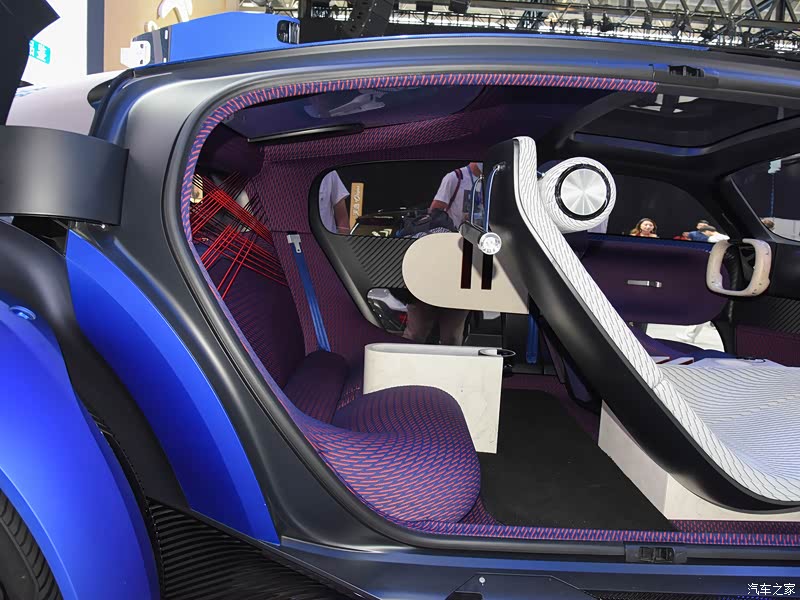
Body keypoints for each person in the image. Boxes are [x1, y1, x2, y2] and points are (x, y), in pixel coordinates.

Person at [402, 163, 483, 346]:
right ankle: (407, 360)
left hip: (467, 261)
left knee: (453, 334)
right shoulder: (456, 178)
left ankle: (449, 362)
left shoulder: (491, 182)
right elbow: (435, 211)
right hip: (442, 256)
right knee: (418, 329)